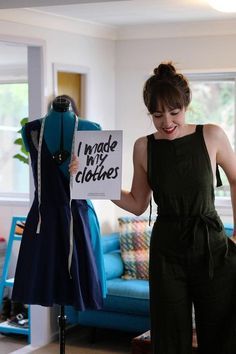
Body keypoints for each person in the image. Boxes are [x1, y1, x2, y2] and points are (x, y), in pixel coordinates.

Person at [110, 62, 236, 354]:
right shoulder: (144, 147)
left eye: (174, 112)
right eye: (157, 114)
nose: (166, 121)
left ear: (186, 105)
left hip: (211, 246)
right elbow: (138, 203)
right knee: (168, 336)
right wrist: (99, 183)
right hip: (167, 250)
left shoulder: (211, 135)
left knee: (220, 333)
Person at [12, 95, 106, 310]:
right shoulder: (32, 130)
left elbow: (101, 180)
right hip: (44, 221)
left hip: (79, 220)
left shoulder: (91, 129)